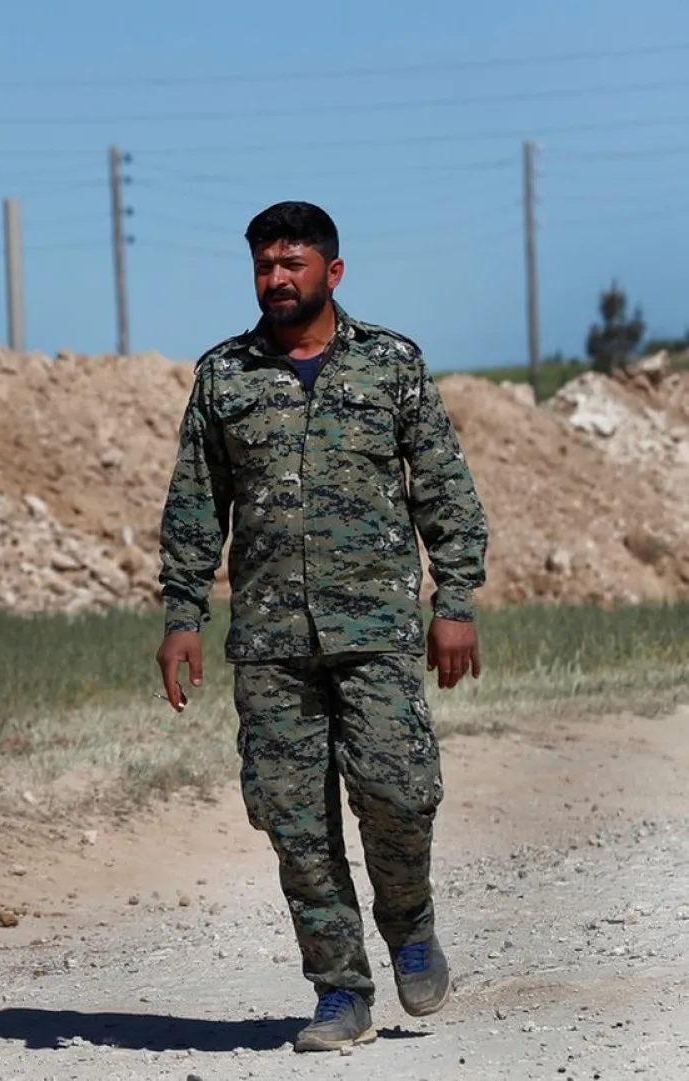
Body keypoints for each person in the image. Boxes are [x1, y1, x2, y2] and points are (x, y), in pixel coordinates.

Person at [154, 201, 488, 1053]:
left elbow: (443, 488)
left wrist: (454, 601)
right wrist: (181, 614)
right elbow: (196, 504)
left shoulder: (391, 365)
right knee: (294, 819)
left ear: (331, 272)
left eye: (292, 263)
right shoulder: (224, 376)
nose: (276, 279)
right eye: (265, 265)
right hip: (269, 642)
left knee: (400, 791)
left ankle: (410, 924)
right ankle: (340, 990)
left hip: (376, 628)